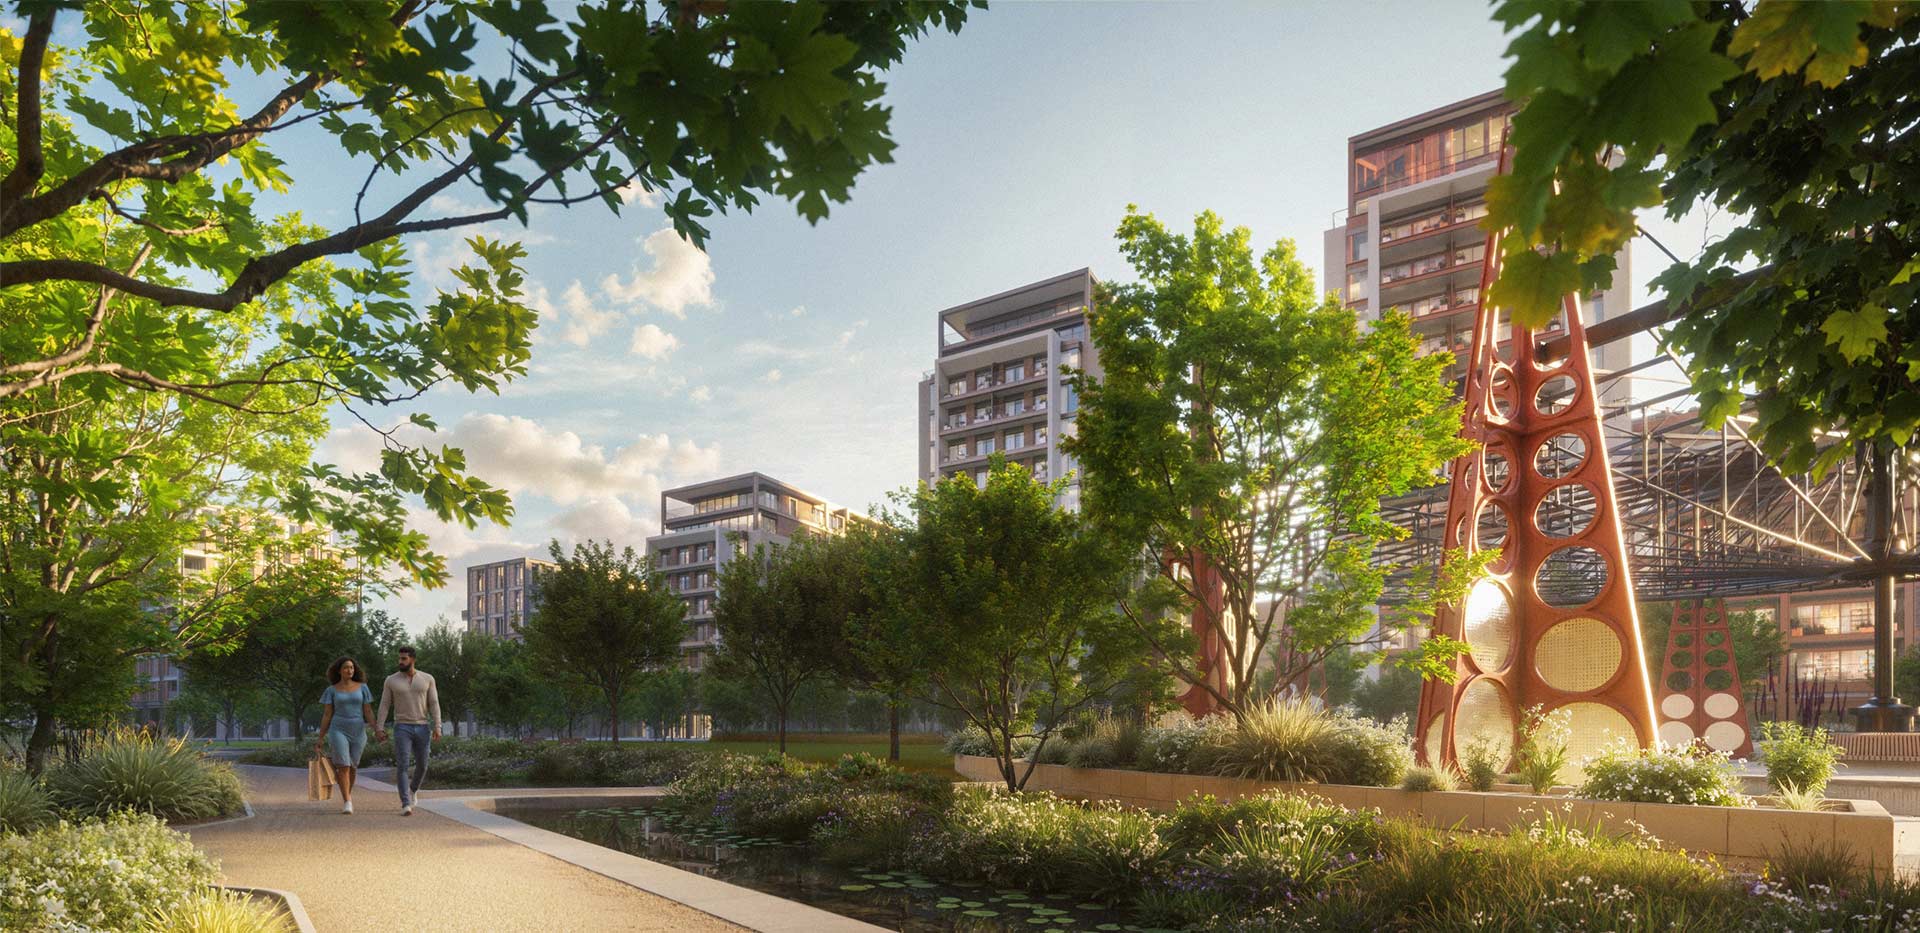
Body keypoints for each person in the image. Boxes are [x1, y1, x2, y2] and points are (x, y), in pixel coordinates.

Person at [373, 645, 439, 816]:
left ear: (412, 659)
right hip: (402, 726)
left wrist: (437, 726)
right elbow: (384, 705)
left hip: (423, 726)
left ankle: (413, 789)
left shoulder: (427, 679)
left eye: (404, 658)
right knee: (402, 764)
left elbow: (434, 703)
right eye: (399, 658)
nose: (400, 661)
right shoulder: (391, 680)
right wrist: (379, 728)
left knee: (423, 765)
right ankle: (405, 803)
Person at [314, 656, 375, 815]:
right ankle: (347, 801)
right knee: (344, 765)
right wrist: (320, 737)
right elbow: (327, 714)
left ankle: (348, 795)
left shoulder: (363, 688)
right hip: (338, 729)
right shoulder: (331, 690)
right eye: (346, 667)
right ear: (339, 671)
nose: (350, 670)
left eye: (352, 668)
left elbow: (367, 711)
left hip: (358, 730)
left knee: (353, 766)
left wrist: (377, 729)